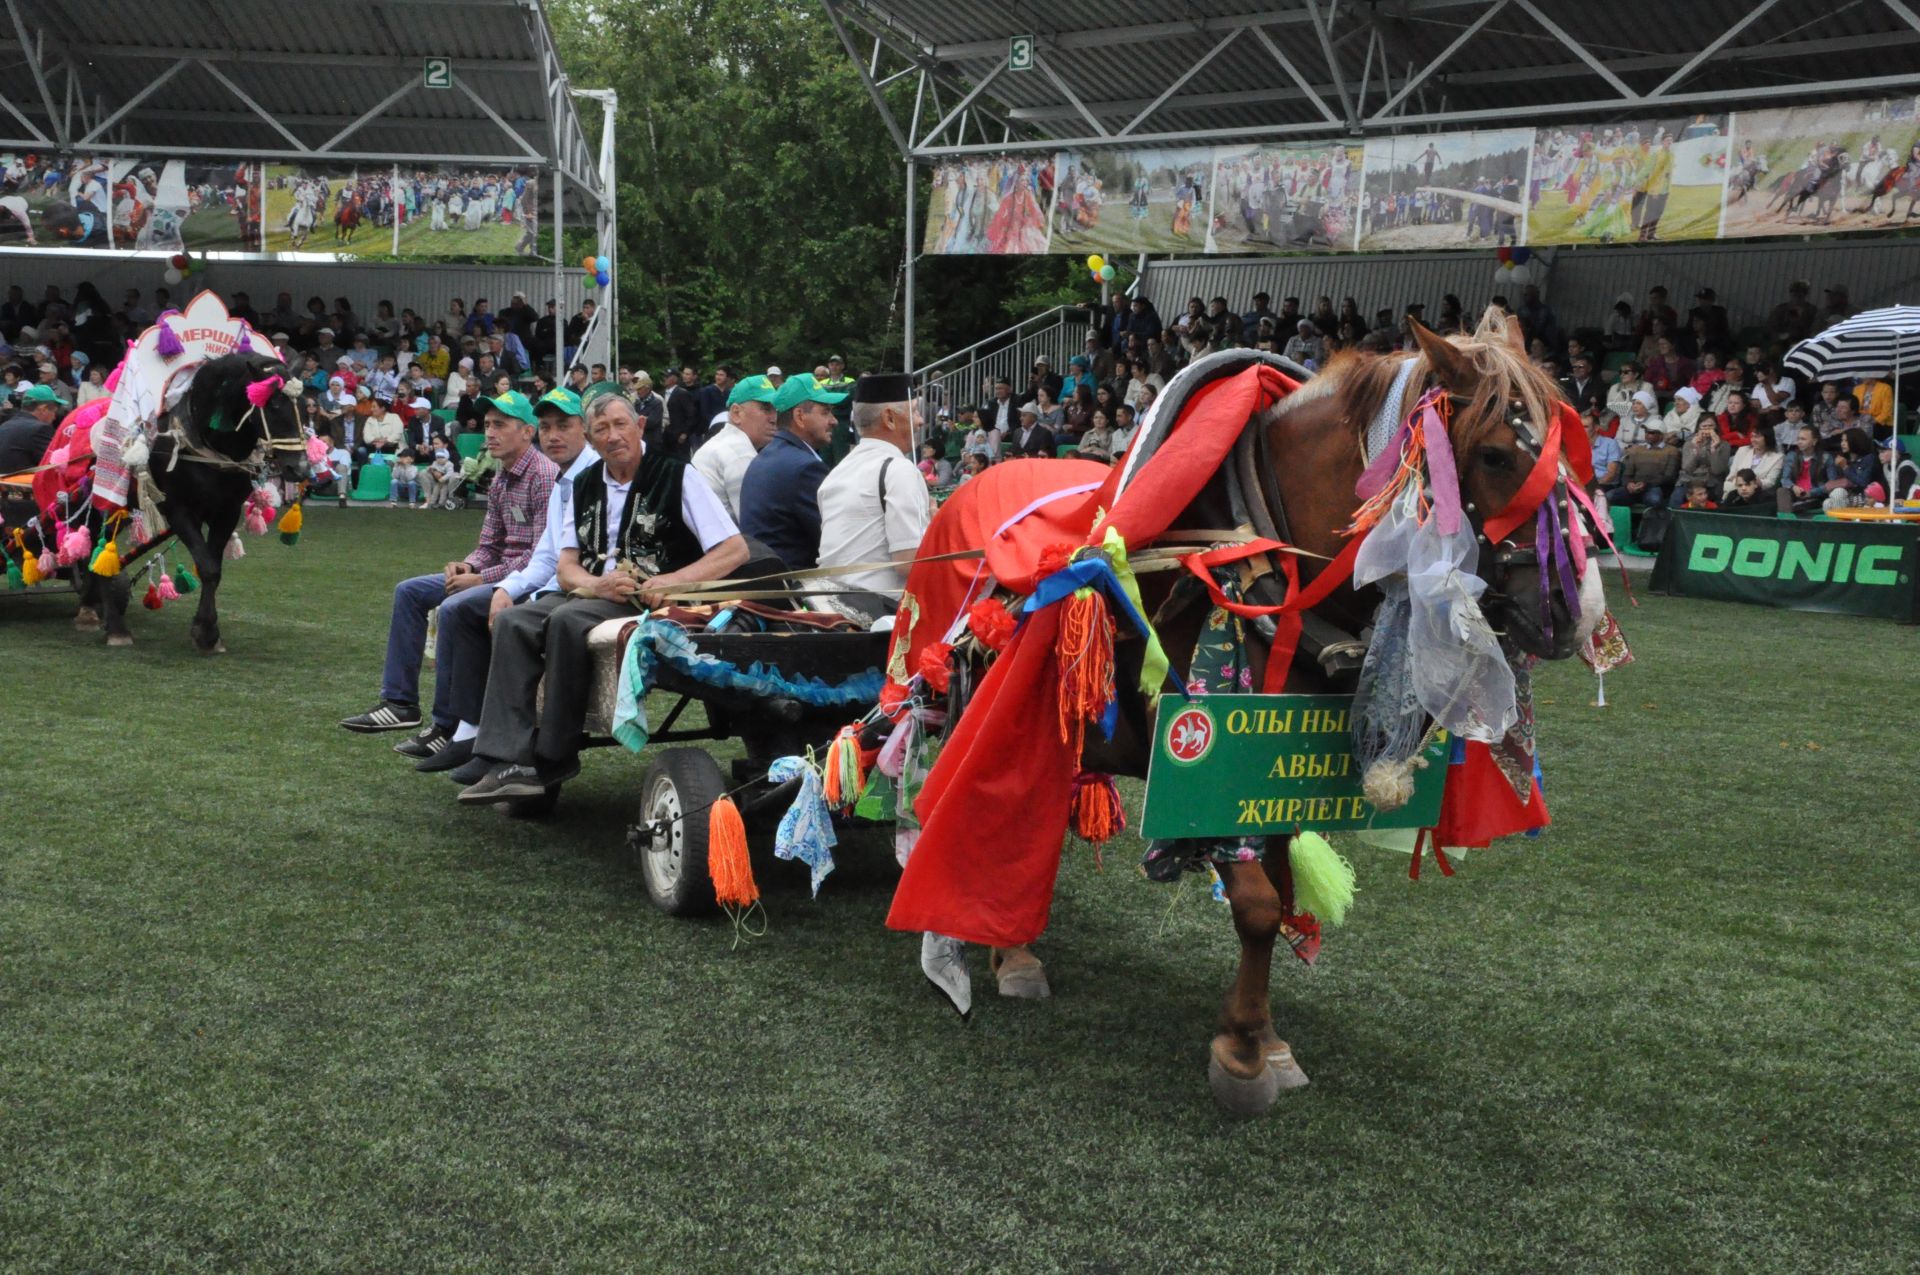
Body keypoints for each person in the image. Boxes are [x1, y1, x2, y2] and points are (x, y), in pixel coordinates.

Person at [459, 395, 749, 802]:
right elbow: (566, 566)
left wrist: (672, 580)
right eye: (601, 430)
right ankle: (507, 759)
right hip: (594, 592)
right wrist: (596, 585)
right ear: (591, 440)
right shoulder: (584, 483)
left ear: (640, 426)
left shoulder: (677, 475)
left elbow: (734, 550)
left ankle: (554, 756)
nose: (613, 437)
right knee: (513, 621)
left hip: (648, 597)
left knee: (566, 621)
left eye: (620, 425)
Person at [340, 390, 559, 735]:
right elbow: (489, 542)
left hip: (525, 583)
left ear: (527, 432)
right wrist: (468, 566)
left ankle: (447, 726)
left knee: (454, 605)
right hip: (493, 575)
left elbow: (539, 556)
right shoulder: (502, 474)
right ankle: (400, 703)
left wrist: (483, 577)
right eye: (487, 425)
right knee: (409, 592)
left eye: (500, 425)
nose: (490, 433)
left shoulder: (544, 475)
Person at [425, 389, 598, 777]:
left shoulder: (569, 475)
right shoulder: (563, 479)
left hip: (583, 589)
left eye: (564, 426)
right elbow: (544, 555)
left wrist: (501, 585)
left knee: (497, 617)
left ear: (585, 430)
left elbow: (562, 562)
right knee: (454, 604)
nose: (553, 435)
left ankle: (518, 753)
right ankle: (466, 732)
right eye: (548, 427)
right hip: (555, 582)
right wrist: (504, 587)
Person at [815, 374, 931, 623]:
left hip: (831, 611)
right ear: (889, 418)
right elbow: (910, 563)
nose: (920, 421)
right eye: (914, 411)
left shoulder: (836, 473)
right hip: (880, 619)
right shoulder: (899, 470)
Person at [738, 373, 846, 571]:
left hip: (768, 584)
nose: (834, 421)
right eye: (825, 412)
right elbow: (836, 541)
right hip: (794, 590)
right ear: (799, 416)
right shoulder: (804, 467)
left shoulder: (768, 456)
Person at [691, 373, 777, 523]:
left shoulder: (723, 443)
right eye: (766, 408)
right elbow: (757, 525)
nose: (774, 418)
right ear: (737, 413)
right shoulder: (738, 453)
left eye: (775, 409)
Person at [1607, 424, 1679, 508]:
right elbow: (1627, 473)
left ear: (1661, 435)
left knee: (1654, 500)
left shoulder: (1672, 451)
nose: (1647, 435)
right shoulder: (1637, 450)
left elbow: (1669, 477)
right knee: (1608, 496)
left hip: (1655, 487)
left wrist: (1645, 484)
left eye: (1651, 433)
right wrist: (1629, 484)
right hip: (1633, 488)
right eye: (1646, 432)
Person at [0, 383, 63, 473]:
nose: (54, 417)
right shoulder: (40, 429)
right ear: (43, 409)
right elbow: (55, 466)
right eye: (54, 412)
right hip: (21, 484)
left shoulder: (5, 425)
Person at [1778, 424, 1836, 513]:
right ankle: (1788, 516)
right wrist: (1793, 487)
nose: (1799, 442)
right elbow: (1785, 479)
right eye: (1798, 439)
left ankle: (1786, 518)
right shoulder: (1791, 456)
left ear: (1814, 441)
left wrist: (1811, 492)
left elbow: (1832, 483)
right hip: (1795, 493)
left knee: (1794, 507)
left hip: (1816, 496)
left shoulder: (1826, 458)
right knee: (1782, 491)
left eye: (1803, 439)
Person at [1677, 414, 1731, 498]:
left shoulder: (1724, 445)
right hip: (1689, 480)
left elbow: (1718, 470)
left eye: (1710, 426)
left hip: (1711, 481)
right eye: (1704, 426)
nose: (1707, 429)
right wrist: (1695, 449)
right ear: (1698, 428)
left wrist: (1714, 449)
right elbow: (1687, 468)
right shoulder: (1689, 443)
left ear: (1716, 427)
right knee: (1678, 496)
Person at [1725, 423, 1782, 497]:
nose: (1753, 440)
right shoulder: (1742, 450)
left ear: (1767, 438)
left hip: (1759, 492)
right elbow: (1732, 474)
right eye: (1752, 436)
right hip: (1735, 488)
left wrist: (1755, 482)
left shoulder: (1777, 458)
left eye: (1757, 437)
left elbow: (1770, 482)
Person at [421, 438, 459, 510]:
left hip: (445, 482)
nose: (440, 459)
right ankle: (430, 503)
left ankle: (443, 503)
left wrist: (443, 478)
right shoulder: (436, 462)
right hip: (438, 482)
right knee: (435, 490)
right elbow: (430, 467)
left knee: (443, 492)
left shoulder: (449, 463)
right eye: (438, 457)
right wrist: (433, 470)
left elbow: (451, 473)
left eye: (437, 444)